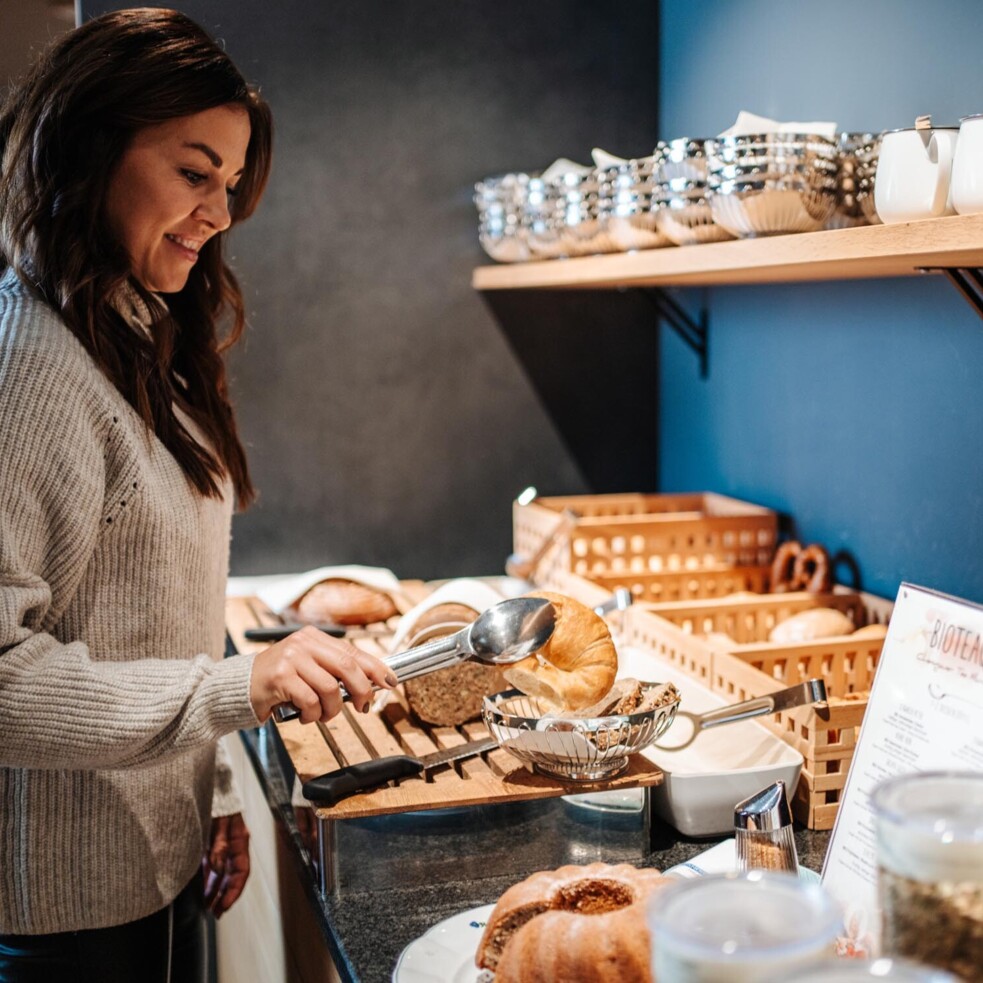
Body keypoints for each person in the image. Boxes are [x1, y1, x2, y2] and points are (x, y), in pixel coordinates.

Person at [0, 9, 396, 981]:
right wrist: (236, 690)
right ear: (90, 150)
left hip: (155, 858)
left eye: (228, 182)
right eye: (193, 171)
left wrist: (214, 784)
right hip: (66, 916)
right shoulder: (30, 366)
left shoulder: (128, 325)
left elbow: (153, 610)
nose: (220, 213)